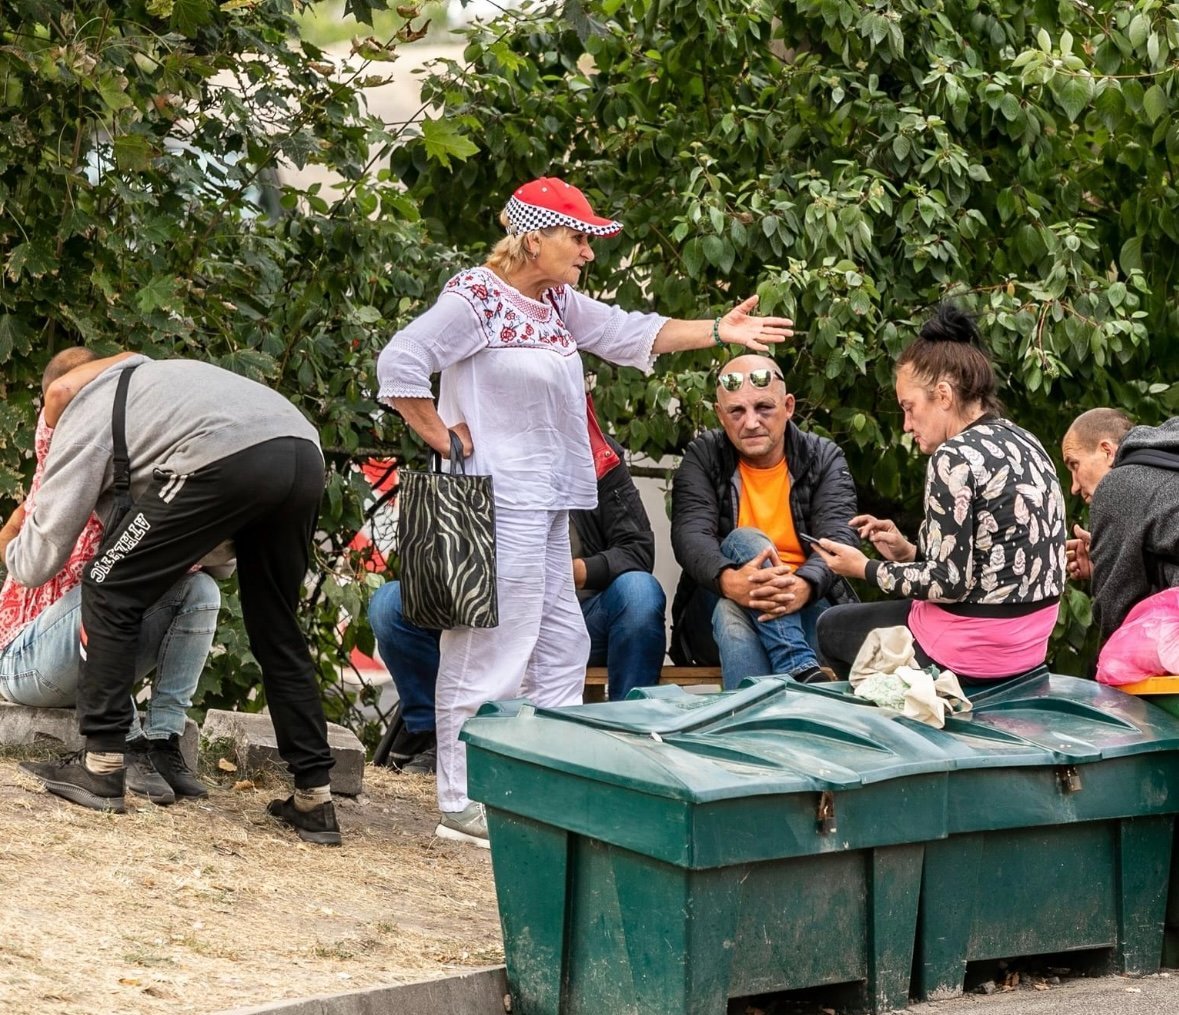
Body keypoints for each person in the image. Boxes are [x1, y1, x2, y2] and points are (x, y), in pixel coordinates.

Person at [377, 176, 793, 846]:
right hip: (491, 498)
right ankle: (461, 799)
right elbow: (401, 362)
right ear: (532, 237)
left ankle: (542, 787)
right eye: (579, 237)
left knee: (561, 644)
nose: (588, 251)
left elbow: (632, 331)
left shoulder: (557, 302)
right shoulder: (476, 295)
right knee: (488, 648)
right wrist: (440, 434)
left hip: (545, 499)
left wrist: (718, 330)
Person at [3, 353, 342, 845]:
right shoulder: (164, 391)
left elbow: (36, 562)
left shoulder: (83, 411)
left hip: (224, 453)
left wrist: (14, 535)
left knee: (107, 584)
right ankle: (315, 797)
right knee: (277, 625)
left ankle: (100, 766)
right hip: (303, 451)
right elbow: (221, 561)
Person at [370, 397, 666, 772]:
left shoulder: (595, 453)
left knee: (640, 592)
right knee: (390, 604)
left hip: (576, 617)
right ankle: (434, 735)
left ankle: (631, 741)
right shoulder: (470, 453)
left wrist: (567, 571)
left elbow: (638, 550)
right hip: (487, 612)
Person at [0, 349, 218, 805]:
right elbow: (61, 391)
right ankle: (128, 741)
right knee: (109, 586)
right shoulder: (64, 446)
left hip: (83, 650)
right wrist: (137, 361)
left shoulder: (139, 458)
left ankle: (161, 743)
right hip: (24, 659)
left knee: (199, 589)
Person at [814, 304, 1067, 680]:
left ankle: (893, 729)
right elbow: (987, 566)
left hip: (971, 647)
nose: (906, 423)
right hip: (1027, 646)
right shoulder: (1023, 439)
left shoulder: (954, 456)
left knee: (831, 626)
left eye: (909, 407)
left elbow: (948, 584)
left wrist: (864, 568)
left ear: (944, 395)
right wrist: (907, 554)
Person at [668, 353, 859, 687]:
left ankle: (745, 730)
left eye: (763, 408)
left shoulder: (823, 457)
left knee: (732, 616)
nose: (751, 422)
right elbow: (689, 536)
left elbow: (839, 538)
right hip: (714, 600)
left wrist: (803, 585)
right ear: (720, 415)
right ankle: (798, 665)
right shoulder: (704, 455)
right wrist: (728, 581)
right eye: (737, 411)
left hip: (807, 602)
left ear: (788, 406)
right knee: (744, 542)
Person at [1061, 409, 1179, 646]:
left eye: (1075, 465)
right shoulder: (1165, 465)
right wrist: (1104, 560)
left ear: (1107, 451)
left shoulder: (1117, 486)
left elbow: (1117, 621)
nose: (1074, 487)